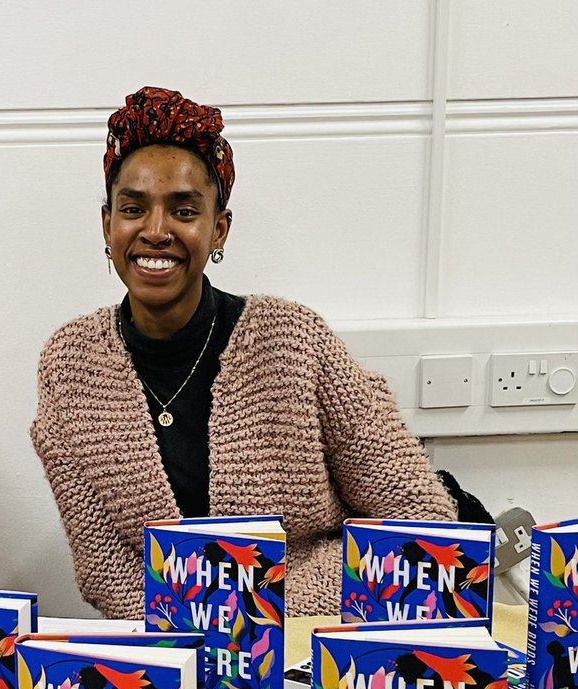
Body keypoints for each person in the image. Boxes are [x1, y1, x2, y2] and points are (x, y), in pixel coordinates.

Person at [31, 87, 455, 619]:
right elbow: (105, 566)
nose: (156, 231)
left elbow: (419, 517)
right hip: (169, 655)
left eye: (184, 210)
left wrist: (261, 620)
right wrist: (190, 640)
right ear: (108, 225)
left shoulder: (294, 341)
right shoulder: (69, 365)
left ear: (218, 230)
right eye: (133, 208)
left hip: (316, 642)